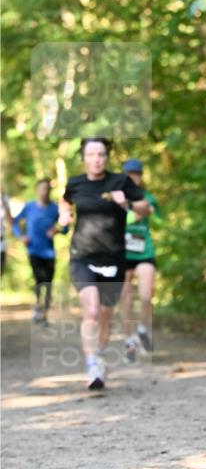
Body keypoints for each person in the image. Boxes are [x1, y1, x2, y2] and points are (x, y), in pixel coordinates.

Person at [59, 137, 149, 389]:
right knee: (92, 310)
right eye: (91, 155)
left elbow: (145, 209)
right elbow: (65, 200)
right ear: (84, 158)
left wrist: (127, 203)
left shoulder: (120, 182)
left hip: (114, 258)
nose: (96, 159)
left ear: (106, 158)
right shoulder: (75, 183)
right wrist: (64, 214)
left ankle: (98, 354)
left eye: (101, 155)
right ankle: (92, 364)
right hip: (82, 256)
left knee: (106, 316)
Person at [119, 158, 161, 362]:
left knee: (145, 296)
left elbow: (160, 220)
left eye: (136, 174)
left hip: (144, 252)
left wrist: (148, 212)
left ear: (141, 176)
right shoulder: (117, 198)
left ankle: (143, 329)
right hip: (122, 253)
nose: (132, 177)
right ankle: (129, 341)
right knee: (125, 300)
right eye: (129, 174)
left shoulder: (148, 197)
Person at [11, 178, 66, 323]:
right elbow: (14, 222)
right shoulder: (29, 207)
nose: (44, 192)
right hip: (33, 250)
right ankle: (37, 306)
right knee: (39, 279)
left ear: (50, 191)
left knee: (48, 282)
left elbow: (65, 226)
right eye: (42, 188)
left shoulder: (54, 208)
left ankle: (45, 314)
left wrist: (57, 229)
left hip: (49, 252)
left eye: (47, 189)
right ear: (37, 190)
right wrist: (21, 236)